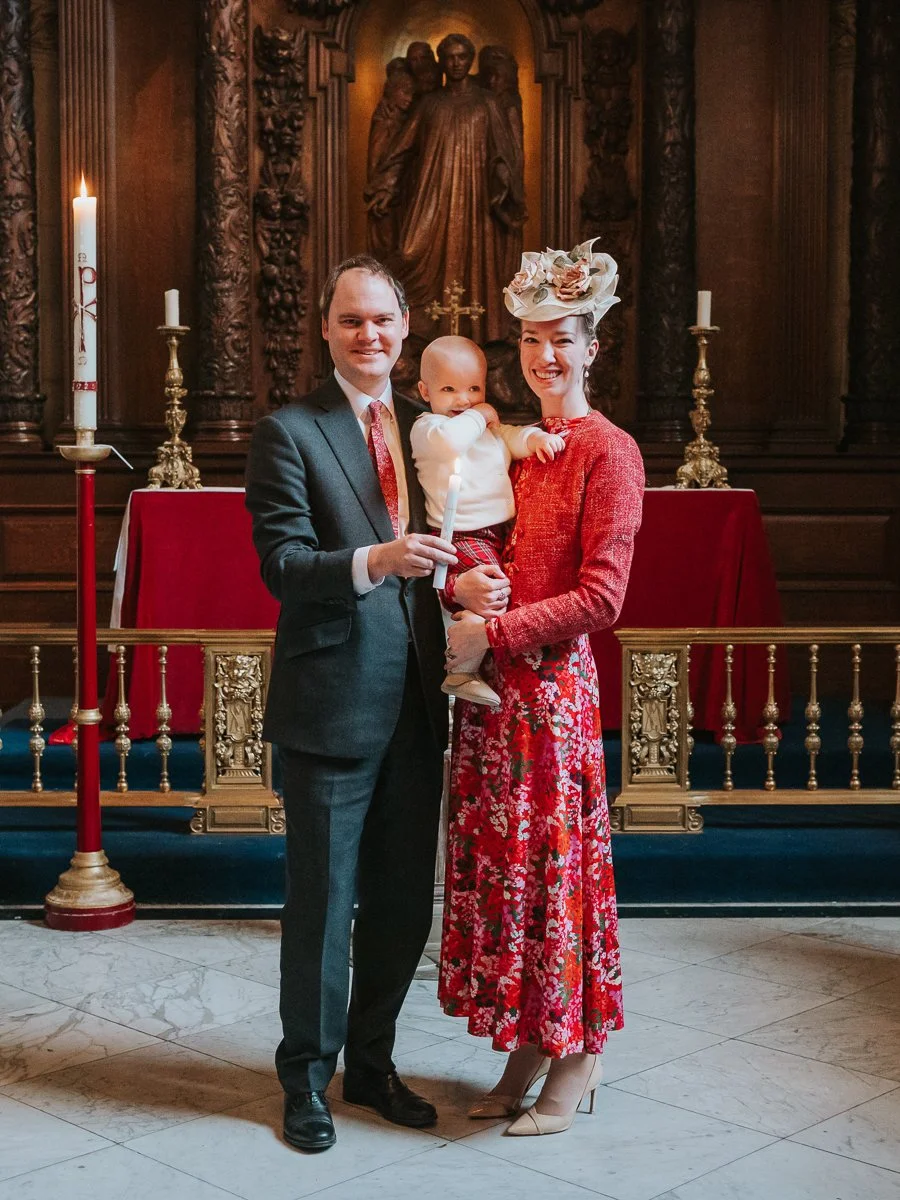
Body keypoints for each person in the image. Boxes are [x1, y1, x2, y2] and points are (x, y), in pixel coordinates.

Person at [245, 256, 458, 1154]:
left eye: (383, 319)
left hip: (418, 700)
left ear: (405, 328)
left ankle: (371, 1063)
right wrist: (377, 561)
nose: (369, 334)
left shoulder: (432, 428)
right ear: (326, 331)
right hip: (331, 705)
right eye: (351, 320)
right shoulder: (288, 431)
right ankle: (307, 1077)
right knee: (324, 908)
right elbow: (283, 567)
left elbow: (463, 542)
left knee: (406, 905)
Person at [439, 240, 645, 1135]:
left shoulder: (611, 450)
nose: (544, 357)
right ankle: (529, 1039)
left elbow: (602, 596)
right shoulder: (511, 446)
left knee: (558, 881)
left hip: (554, 697)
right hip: (493, 699)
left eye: (561, 339)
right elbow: (476, 534)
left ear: (593, 344)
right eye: (529, 341)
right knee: (510, 880)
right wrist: (468, 581)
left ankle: (579, 1053)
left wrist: (495, 630)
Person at [410, 334, 564, 708]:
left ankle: (468, 661)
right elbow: (452, 441)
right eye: (449, 389)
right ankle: (461, 670)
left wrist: (534, 439)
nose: (463, 400)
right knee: (490, 592)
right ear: (425, 391)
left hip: (498, 533)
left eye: (474, 389)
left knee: (490, 598)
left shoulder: (481, 430)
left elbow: (510, 437)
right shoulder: (429, 428)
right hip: (460, 533)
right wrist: (480, 414)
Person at [366, 33, 526, 341]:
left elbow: (504, 149)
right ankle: (413, 330)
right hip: (433, 197)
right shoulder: (429, 104)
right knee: (409, 251)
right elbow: (403, 148)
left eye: (462, 57)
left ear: (470, 60)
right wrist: (386, 184)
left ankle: (480, 336)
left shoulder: (487, 102)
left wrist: (503, 175)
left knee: (476, 265)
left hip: (477, 203)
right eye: (450, 57)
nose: (456, 63)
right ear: (442, 61)